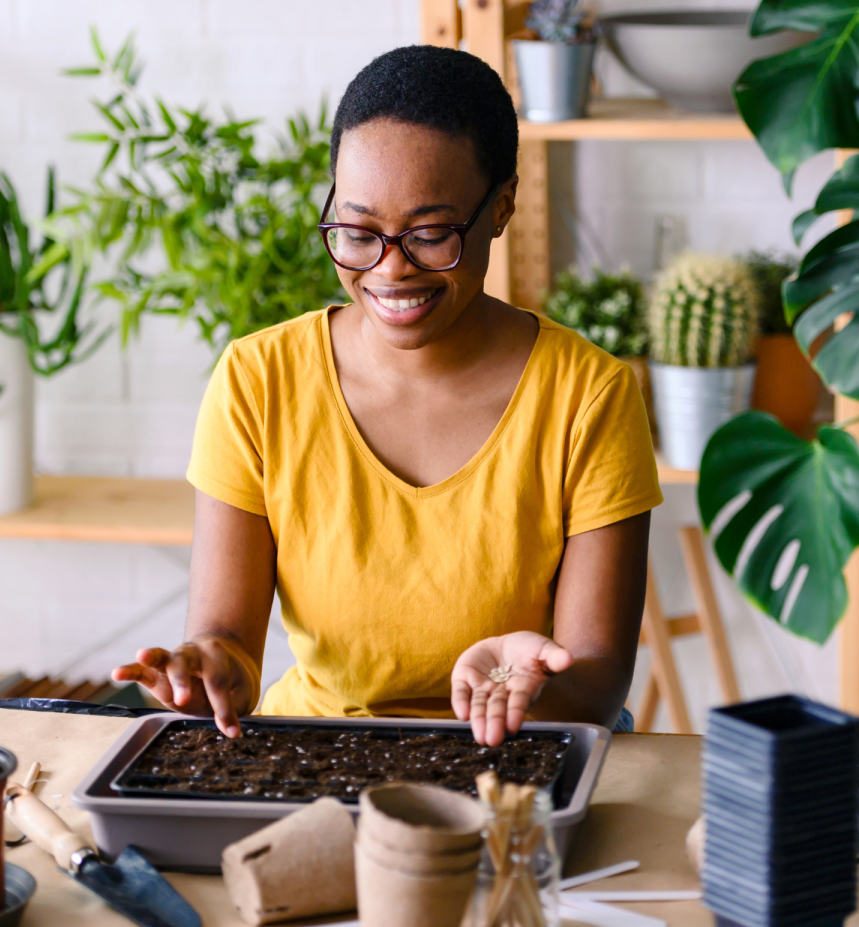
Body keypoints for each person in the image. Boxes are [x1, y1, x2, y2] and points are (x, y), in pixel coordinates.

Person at [113, 45, 662, 747]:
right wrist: (207, 671)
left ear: (501, 208)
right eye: (358, 231)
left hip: (516, 748)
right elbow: (229, 643)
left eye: (431, 233)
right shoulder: (259, 379)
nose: (390, 269)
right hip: (317, 751)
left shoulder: (589, 397)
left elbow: (597, 677)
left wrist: (538, 687)